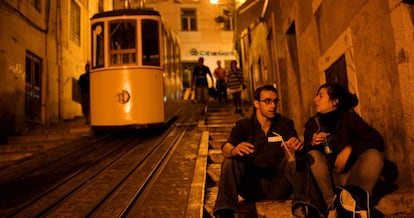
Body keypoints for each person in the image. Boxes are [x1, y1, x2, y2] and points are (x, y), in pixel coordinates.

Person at [213, 84, 305, 218]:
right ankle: (225, 210)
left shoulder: (285, 124)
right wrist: (234, 150)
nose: (273, 105)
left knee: (298, 159)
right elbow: (226, 147)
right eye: (267, 101)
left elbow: (294, 149)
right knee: (229, 161)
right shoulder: (244, 125)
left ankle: (302, 204)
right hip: (251, 185)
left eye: (275, 101)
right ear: (256, 103)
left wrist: (295, 146)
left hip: (279, 184)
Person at [303, 83, 384, 215]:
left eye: (321, 96)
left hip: (352, 177)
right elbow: (304, 156)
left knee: (374, 155)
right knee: (313, 155)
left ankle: (356, 201)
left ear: (335, 101)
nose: (315, 99)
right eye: (316, 96)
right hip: (328, 182)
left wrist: (350, 149)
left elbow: (377, 140)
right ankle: (332, 206)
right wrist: (312, 143)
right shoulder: (312, 123)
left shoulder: (349, 118)